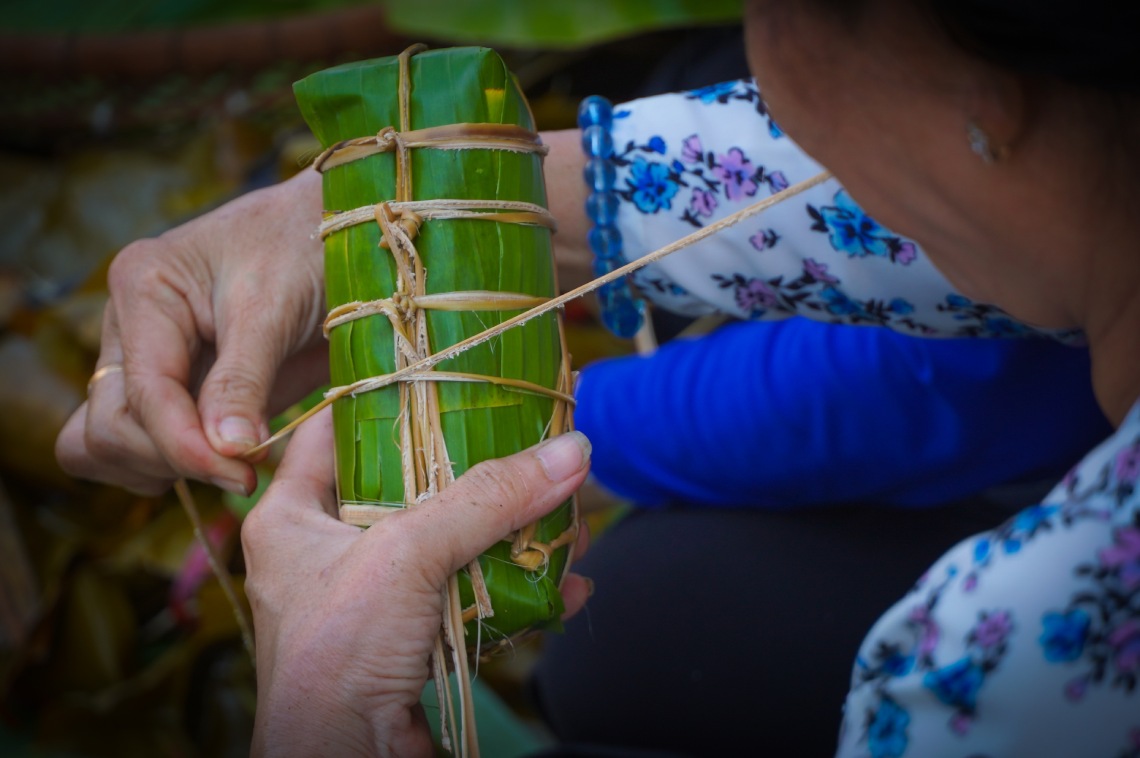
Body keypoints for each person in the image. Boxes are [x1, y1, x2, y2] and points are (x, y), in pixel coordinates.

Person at [55, 0, 1140, 755]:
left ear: (992, 95)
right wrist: (374, 210)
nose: (756, 52)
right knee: (634, 638)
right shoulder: (1081, 153)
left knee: (633, 642)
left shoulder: (1001, 660)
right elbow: (855, 197)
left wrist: (311, 721)